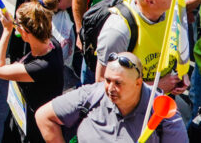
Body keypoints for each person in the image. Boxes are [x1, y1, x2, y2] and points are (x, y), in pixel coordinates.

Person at [37, 50, 188, 143]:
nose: (110, 88)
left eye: (118, 83)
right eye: (108, 80)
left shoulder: (164, 115)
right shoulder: (92, 95)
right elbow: (44, 116)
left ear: (138, 83)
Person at [0, 0, 64, 143]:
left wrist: (7, 31)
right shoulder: (52, 43)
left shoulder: (41, 67)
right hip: (20, 115)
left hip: (31, 128)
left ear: (25, 32)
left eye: (17, 24)